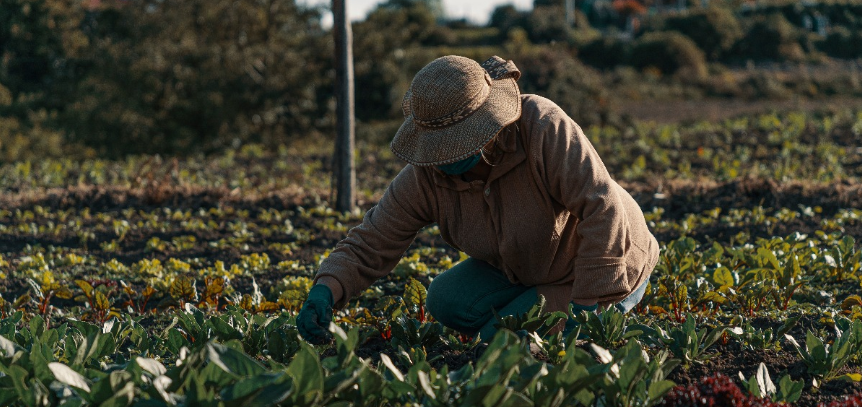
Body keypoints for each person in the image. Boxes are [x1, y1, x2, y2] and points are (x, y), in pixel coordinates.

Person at [297, 55, 659, 344]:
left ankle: (598, 305)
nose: (446, 158)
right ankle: (535, 305)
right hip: (525, 266)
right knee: (445, 299)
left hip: (610, 259)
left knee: (501, 342)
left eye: (456, 144)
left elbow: (602, 208)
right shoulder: (429, 174)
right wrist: (325, 290)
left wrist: (585, 309)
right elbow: (373, 239)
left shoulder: (542, 128)